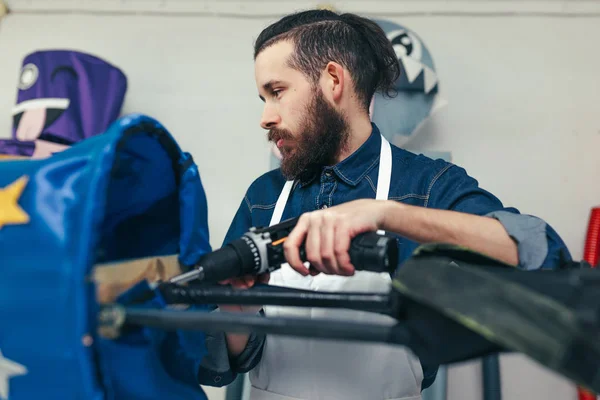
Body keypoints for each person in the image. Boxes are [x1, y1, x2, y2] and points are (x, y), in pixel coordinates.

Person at [197, 8, 571, 400]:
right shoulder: (265, 197)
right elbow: (233, 356)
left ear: (333, 80)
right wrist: (234, 308)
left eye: (277, 92)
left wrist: (385, 213)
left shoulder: (426, 186)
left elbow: (542, 254)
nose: (265, 117)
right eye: (263, 98)